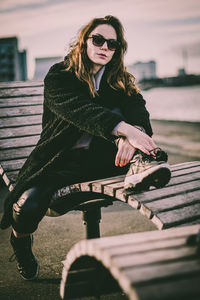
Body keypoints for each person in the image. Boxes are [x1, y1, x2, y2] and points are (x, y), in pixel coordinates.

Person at [1, 15, 171, 280]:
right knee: (26, 206)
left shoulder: (120, 79)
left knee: (125, 114)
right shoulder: (60, 76)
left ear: (118, 50)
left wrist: (132, 134)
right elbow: (82, 112)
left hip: (104, 160)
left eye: (112, 44)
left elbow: (140, 112)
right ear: (85, 41)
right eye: (99, 39)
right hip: (61, 161)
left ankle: (143, 166)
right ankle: (20, 243)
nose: (105, 47)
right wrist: (123, 130)